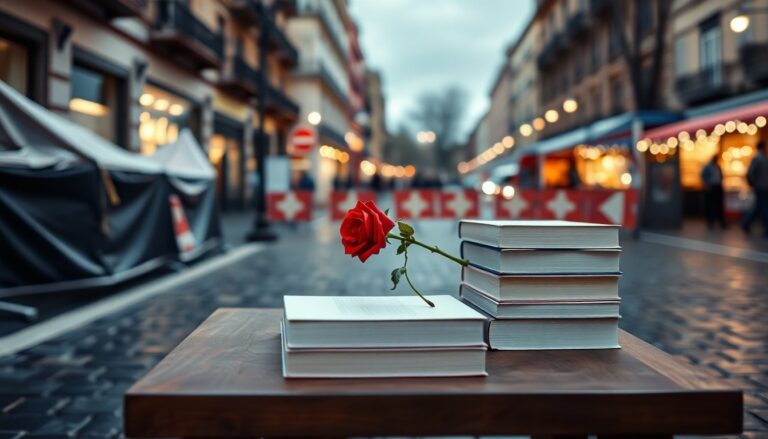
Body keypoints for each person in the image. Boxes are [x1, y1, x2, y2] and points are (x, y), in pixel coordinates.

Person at [742, 140, 768, 236]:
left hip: (762, 186)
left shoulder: (762, 158)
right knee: (763, 207)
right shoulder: (758, 158)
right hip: (761, 187)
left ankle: (746, 223)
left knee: (759, 206)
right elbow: (750, 173)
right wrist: (752, 183)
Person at [700, 154, 726, 229]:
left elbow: (720, 176)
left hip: (717, 187)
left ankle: (720, 221)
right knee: (710, 205)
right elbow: (703, 176)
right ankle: (711, 221)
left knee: (719, 205)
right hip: (711, 187)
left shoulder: (717, 166)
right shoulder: (708, 167)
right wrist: (706, 185)